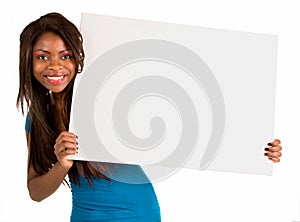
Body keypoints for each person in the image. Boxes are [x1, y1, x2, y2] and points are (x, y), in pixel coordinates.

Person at [16, 12, 282, 222]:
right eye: (42, 57)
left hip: (138, 211)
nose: (54, 65)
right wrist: (62, 164)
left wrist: (257, 148)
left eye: (65, 56)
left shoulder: (103, 95)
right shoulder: (37, 118)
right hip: (86, 215)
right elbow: (35, 191)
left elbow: (193, 120)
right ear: (29, 61)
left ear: (77, 59)